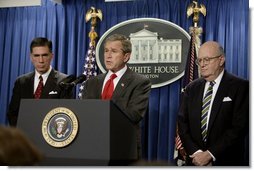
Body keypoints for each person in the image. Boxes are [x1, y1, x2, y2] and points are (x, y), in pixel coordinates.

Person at [80, 34, 151, 159]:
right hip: (93, 146)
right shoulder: (92, 82)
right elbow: (84, 112)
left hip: (122, 147)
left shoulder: (139, 82)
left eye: (114, 51)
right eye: (106, 51)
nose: (108, 55)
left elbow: (134, 114)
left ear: (126, 56)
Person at [178, 41, 249, 166]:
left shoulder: (241, 87)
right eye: (199, 61)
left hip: (226, 162)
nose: (202, 65)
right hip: (194, 162)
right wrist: (197, 153)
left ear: (221, 60)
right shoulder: (191, 88)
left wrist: (210, 154)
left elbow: (239, 127)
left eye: (207, 59)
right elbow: (183, 124)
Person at [7, 37, 73, 126]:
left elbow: (65, 115)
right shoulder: (21, 82)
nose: (41, 60)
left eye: (44, 55)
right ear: (31, 57)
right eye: (36, 56)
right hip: (25, 136)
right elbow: (13, 114)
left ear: (51, 56)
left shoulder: (65, 81)